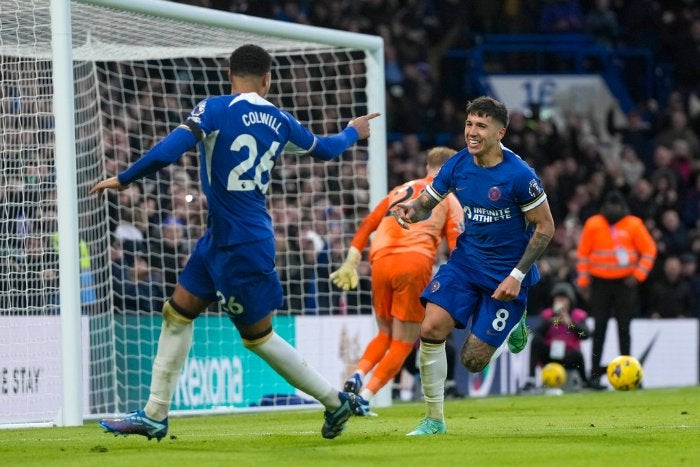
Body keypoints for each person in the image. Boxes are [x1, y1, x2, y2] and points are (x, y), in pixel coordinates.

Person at [91, 44, 380, 441]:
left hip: (241, 244)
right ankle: (155, 414)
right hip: (224, 238)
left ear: (230, 74)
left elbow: (168, 152)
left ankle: (334, 401)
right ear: (268, 79)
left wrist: (124, 178)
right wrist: (352, 131)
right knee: (177, 312)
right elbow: (327, 149)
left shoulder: (213, 109)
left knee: (257, 337)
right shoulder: (279, 120)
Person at [392, 96, 555, 435]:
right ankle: (433, 420)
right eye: (469, 124)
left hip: (506, 274)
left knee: (472, 360)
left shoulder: (519, 176)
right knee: (431, 328)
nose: (472, 132)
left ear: (501, 132)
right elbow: (428, 202)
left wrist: (517, 275)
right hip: (465, 263)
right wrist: (412, 210)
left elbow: (545, 227)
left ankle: (514, 323)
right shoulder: (457, 165)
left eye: (481, 126)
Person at [330, 146, 464, 410]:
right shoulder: (447, 198)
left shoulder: (398, 191)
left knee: (384, 333)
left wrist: (352, 259)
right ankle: (365, 398)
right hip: (414, 263)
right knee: (404, 342)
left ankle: (357, 375)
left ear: (428, 166)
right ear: (453, 170)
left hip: (379, 261)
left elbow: (369, 222)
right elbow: (457, 245)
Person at [576, 189, 657, 389]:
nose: (613, 209)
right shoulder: (593, 224)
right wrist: (584, 282)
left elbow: (649, 250)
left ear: (623, 207)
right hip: (600, 284)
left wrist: (637, 276)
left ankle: (629, 375)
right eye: (610, 205)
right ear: (604, 207)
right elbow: (583, 254)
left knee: (624, 330)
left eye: (616, 205)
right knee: (600, 330)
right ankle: (594, 376)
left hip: (624, 284)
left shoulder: (633, 224)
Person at [523, 281, 591, 391]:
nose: (560, 302)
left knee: (578, 355)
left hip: (568, 355)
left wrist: (570, 324)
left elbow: (585, 335)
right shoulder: (547, 315)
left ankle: (584, 381)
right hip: (550, 355)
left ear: (570, 301)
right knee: (536, 341)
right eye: (557, 299)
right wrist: (552, 320)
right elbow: (538, 334)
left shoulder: (577, 315)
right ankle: (531, 379)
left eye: (563, 299)